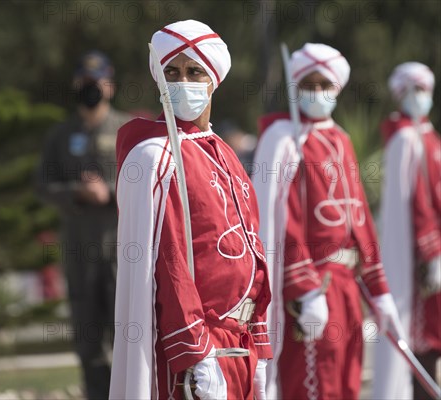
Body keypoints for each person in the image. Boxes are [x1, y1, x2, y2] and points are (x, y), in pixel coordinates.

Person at [110, 20, 272, 400]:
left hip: (241, 347)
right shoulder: (156, 157)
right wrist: (196, 354)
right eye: (171, 72)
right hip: (200, 356)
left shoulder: (225, 153)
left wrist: (261, 349)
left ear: (213, 79)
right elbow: (170, 264)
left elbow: (254, 252)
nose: (182, 81)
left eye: (194, 71)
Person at [252, 43, 400, 399]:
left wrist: (379, 290)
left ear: (337, 88)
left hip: (348, 286)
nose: (317, 93)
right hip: (312, 288)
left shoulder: (341, 138)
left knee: (347, 378)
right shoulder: (283, 139)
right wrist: (304, 289)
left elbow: (359, 215)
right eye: (308, 84)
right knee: (316, 382)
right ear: (295, 87)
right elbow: (281, 218)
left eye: (324, 85)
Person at [36, 51, 130, 399]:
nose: (91, 89)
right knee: (88, 342)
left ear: (110, 86)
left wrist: (106, 191)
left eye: (97, 82)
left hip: (122, 251)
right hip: (78, 252)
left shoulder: (128, 130)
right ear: (76, 85)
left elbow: (149, 183)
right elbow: (43, 185)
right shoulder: (60, 136)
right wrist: (76, 191)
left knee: (128, 335)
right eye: (85, 83)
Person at [372, 62, 441, 400]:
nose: (419, 97)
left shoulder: (428, 136)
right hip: (420, 265)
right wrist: (432, 254)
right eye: (411, 91)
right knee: (422, 340)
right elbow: (417, 203)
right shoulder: (404, 139)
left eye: (423, 90)